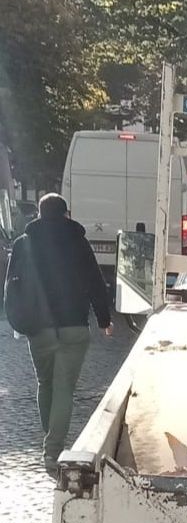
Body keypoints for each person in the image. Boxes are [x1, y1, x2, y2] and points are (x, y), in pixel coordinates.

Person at [4, 193, 113, 474]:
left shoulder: (23, 244)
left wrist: (18, 321)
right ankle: (53, 449)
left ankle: (50, 436)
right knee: (64, 387)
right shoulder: (78, 242)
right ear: (66, 214)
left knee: (46, 383)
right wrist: (104, 319)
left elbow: (11, 286)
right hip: (74, 326)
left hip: (38, 328)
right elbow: (95, 282)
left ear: (39, 214)